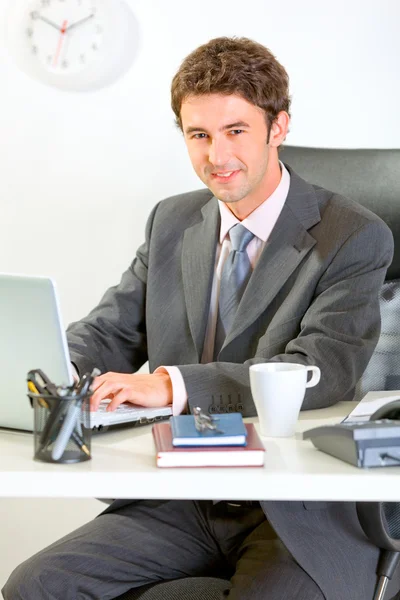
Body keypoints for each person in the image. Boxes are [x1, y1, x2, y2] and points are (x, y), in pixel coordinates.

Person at [2, 37, 398, 600]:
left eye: (236, 130)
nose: (217, 156)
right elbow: (112, 330)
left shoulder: (351, 235)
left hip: (293, 506)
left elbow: (322, 368)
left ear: (278, 127)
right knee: (35, 586)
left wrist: (169, 383)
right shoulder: (173, 220)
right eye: (199, 134)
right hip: (185, 495)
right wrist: (53, 368)